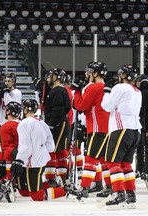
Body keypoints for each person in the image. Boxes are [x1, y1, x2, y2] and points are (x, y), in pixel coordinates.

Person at [68, 62, 111, 201]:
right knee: (104, 159)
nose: (87, 74)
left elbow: (80, 105)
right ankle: (109, 186)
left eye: (89, 71)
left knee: (91, 158)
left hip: (97, 128)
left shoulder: (93, 87)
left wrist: (77, 91)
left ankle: (84, 188)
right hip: (106, 127)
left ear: (96, 74)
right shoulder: (104, 86)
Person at [101, 64, 141, 209]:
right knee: (125, 164)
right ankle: (131, 196)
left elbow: (106, 106)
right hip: (135, 130)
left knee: (112, 162)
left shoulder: (120, 87)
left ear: (123, 75)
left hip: (121, 129)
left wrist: (106, 92)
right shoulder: (137, 91)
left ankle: (119, 194)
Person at [11, 99, 66, 201]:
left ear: (26, 109)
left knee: (36, 195)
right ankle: (55, 185)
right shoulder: (41, 122)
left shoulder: (24, 124)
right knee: (27, 190)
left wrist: (19, 160)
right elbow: (50, 145)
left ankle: (65, 191)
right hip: (41, 159)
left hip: (33, 162)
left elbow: (26, 147)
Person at [44, 68, 71, 184]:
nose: (48, 79)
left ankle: (51, 178)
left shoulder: (57, 91)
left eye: (50, 76)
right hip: (61, 123)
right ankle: (62, 177)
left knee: (52, 150)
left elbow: (59, 109)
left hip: (58, 124)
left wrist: (51, 124)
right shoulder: (57, 90)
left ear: (56, 77)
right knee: (59, 151)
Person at [0, 101, 21, 181]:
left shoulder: (5, 126)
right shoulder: (23, 123)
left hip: (12, 157)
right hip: (26, 156)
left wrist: (1, 162)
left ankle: (9, 179)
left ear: (8, 112)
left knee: (2, 154)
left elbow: (6, 148)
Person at [134, 75, 148, 180]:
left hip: (139, 124)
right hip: (143, 125)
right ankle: (143, 170)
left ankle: (140, 170)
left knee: (140, 148)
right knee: (143, 148)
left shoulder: (137, 93)